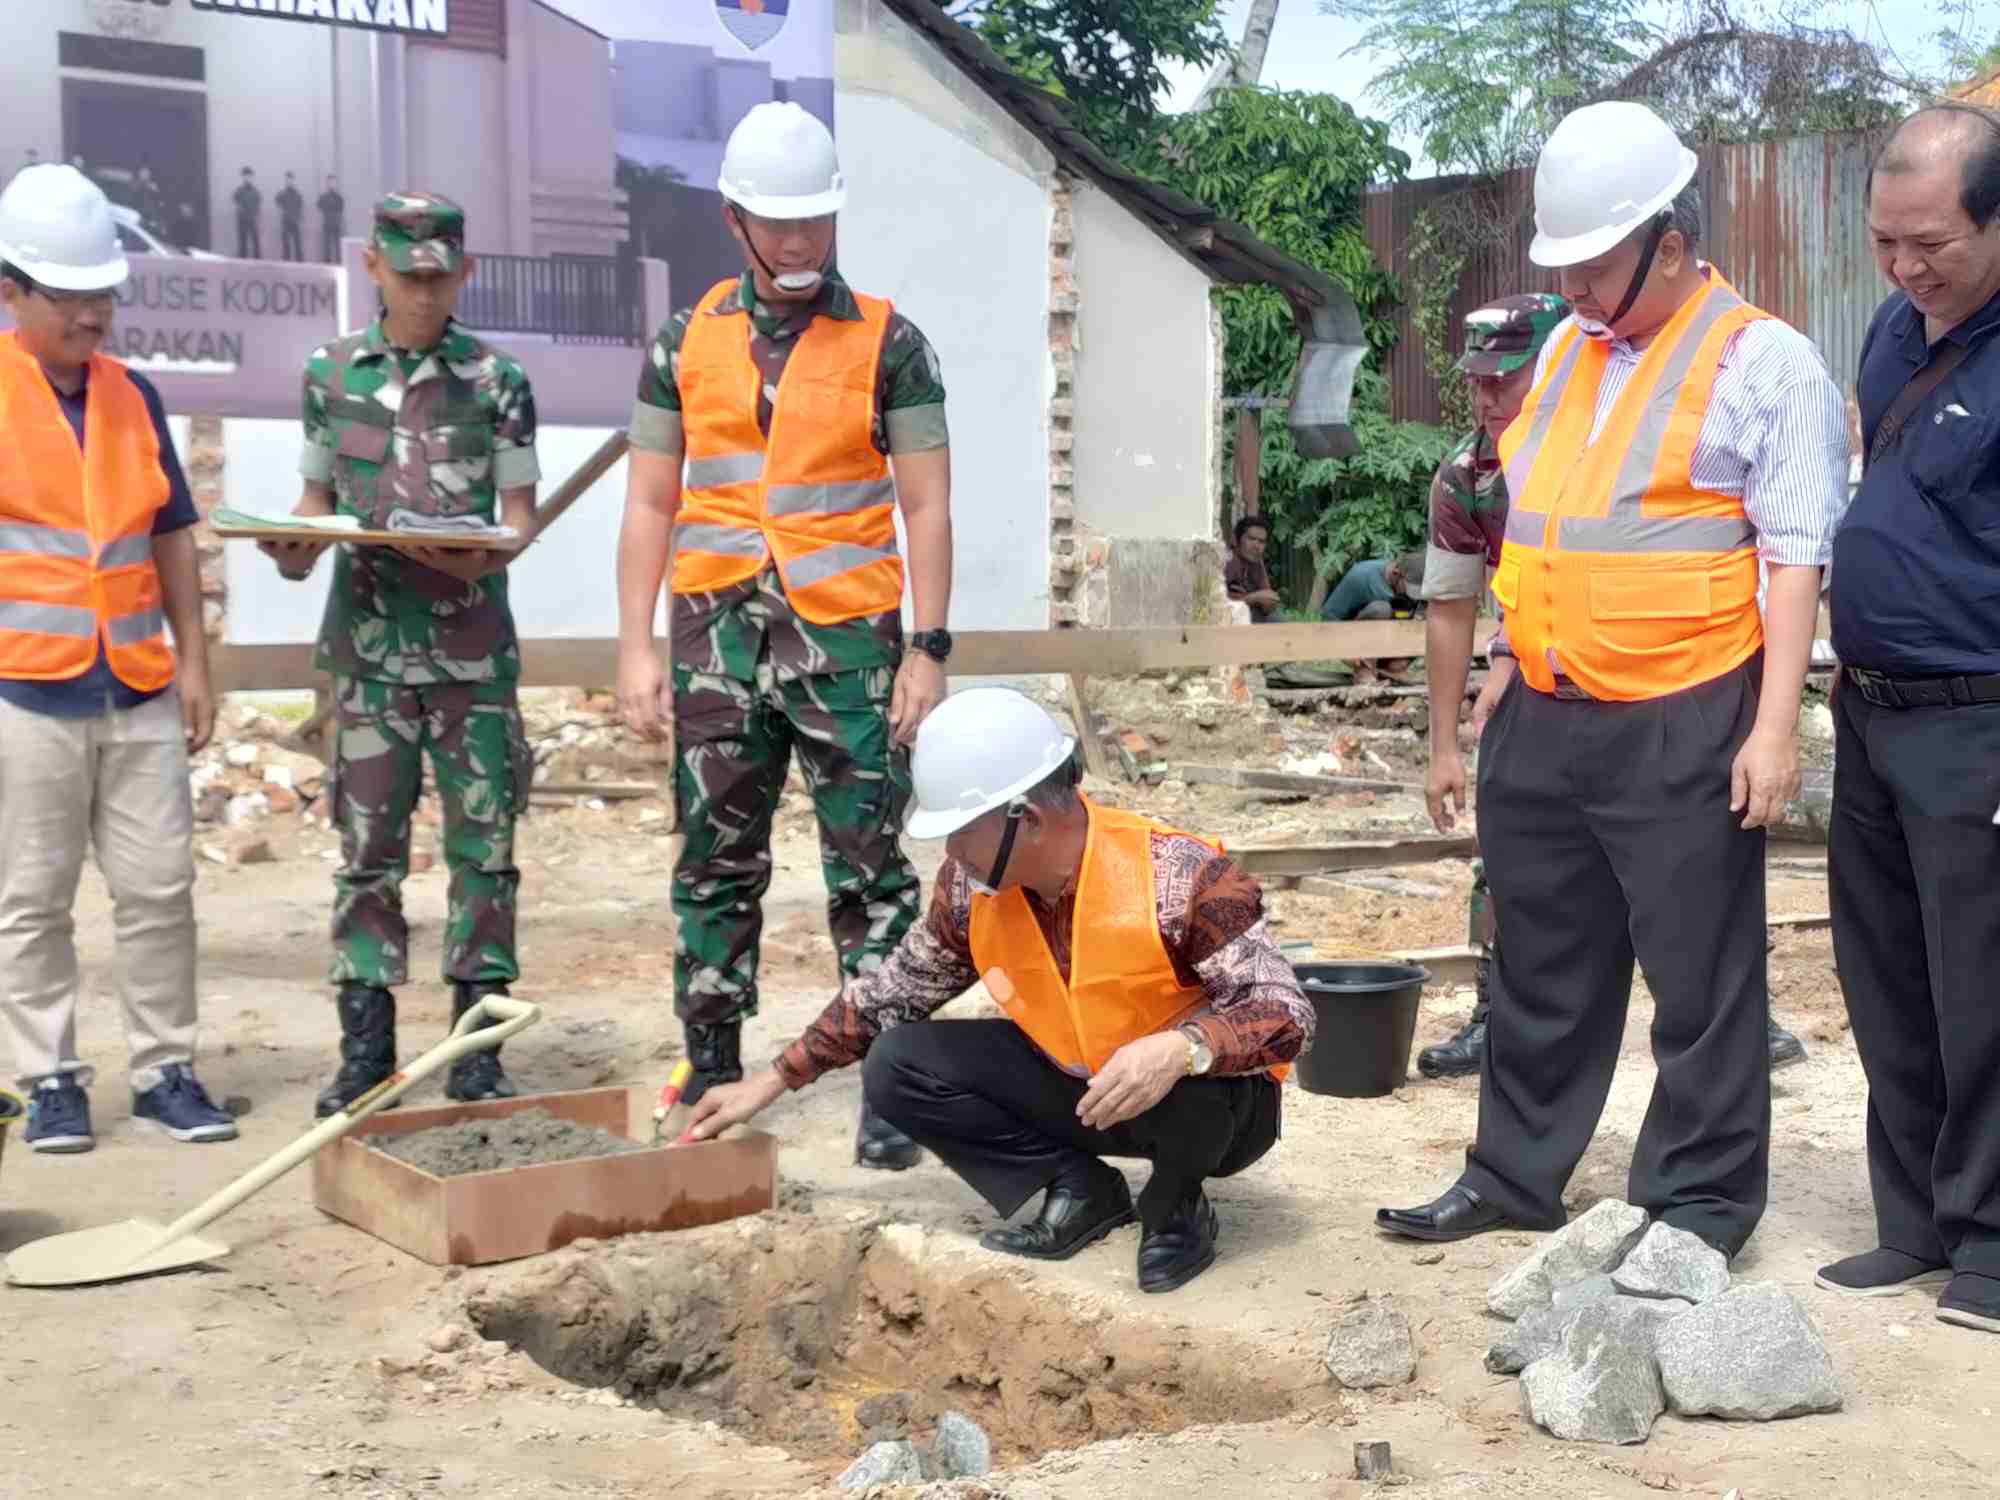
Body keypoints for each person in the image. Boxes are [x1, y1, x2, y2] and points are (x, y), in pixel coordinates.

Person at [1376, 101, 1849, 1258]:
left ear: (1670, 245)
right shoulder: (1558, 356)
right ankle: (1511, 1174)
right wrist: (1499, 663)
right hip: (1540, 710)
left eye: (1593, 271)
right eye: (1567, 271)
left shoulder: (1762, 362)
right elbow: (1538, 534)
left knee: (1698, 976)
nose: (1576, 293)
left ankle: (1695, 1206)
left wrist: (1773, 728)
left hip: (1683, 713)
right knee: (1539, 963)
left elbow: (1793, 560)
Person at [685, 687, 1313, 1293]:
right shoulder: (969, 890)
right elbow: (891, 993)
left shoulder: (1183, 876)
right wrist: (771, 1080)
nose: (952, 853)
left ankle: (1176, 1206)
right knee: (898, 1063)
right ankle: (1078, 1188)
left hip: (1197, 1103)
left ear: (1027, 819)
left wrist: (1182, 1049)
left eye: (960, 831)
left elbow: (1287, 1013)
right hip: (1082, 1086)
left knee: (1203, 1091)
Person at [615, 102, 952, 1171]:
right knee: (714, 862)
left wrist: (928, 649)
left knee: (869, 873)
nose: (799, 240)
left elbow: (928, 508)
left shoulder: (891, 342)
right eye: (778, 220)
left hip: (848, 646)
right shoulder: (682, 341)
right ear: (734, 220)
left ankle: (892, 1087)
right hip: (714, 636)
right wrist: (633, 646)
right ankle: (712, 1068)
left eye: (815, 218)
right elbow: (648, 504)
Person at [259, 192, 542, 1118]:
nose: (422, 292)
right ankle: (366, 1053)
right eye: (405, 274)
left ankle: (477, 1049)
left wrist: (469, 550)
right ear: (372, 267)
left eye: (437, 276)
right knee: (366, 857)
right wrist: (292, 546)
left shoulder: (496, 378)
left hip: (471, 660)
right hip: (370, 658)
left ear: (460, 274)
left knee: (484, 857)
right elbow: (313, 504)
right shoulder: (329, 374)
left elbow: (519, 524)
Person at [0, 164, 235, 1152]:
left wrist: (195, 662)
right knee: (29, 900)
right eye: (72, 296)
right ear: (12, 288)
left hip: (135, 688)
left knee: (157, 889)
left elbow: (172, 534)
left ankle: (164, 1069)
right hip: (24, 692)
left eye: (103, 294)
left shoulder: (132, 397)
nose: (94, 315)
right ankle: (49, 1077)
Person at [1815, 104, 2000, 1333]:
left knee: (1983, 986)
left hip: (1976, 718)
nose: (1903, 266)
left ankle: (1990, 1242)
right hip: (1871, 711)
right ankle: (1916, 1222)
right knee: (1884, 972)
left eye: (1929, 241)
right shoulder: (1891, 331)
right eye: (1883, 240)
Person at [1413, 293, 1567, 1078]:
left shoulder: (1603, 452)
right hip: (1530, 672)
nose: (1486, 396)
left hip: (1645, 672)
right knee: (1502, 846)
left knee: (1683, 854)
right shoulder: (1469, 475)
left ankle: (1747, 1018)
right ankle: (1493, 1014)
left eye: (1505, 379)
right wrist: (1443, 747)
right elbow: (1449, 610)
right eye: (1477, 380)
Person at [1320, 550, 1423, 623]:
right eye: (1408, 588)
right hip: (1352, 632)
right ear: (1395, 573)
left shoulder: (1410, 582)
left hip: (1389, 630)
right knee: (1381, 610)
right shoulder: (1361, 576)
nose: (1410, 595)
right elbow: (1328, 615)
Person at [1224, 515, 1281, 622]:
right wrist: (1254, 598)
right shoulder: (1227, 561)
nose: (1256, 546)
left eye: (1261, 541)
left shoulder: (1257, 561)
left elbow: (1266, 596)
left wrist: (1269, 602)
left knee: (1278, 620)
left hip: (1252, 615)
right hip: (1228, 620)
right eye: (1251, 539)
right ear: (1237, 540)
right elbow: (1216, 605)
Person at [233, 168, 261, 260]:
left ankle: (257, 261)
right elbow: (235, 201)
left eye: (249, 176)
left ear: (252, 177)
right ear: (243, 177)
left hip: (252, 218)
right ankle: (242, 261)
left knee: (255, 240)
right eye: (246, 176)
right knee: (242, 241)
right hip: (242, 219)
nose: (247, 178)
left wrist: (255, 213)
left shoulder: (255, 192)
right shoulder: (239, 190)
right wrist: (240, 209)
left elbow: (258, 204)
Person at [277, 172, 305, 263]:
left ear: (293, 181)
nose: (289, 181)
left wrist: (298, 217)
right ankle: (286, 261)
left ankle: (300, 262)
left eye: (291, 180)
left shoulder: (297, 194)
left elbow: (300, 205)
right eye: (287, 180)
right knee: (286, 243)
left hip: (295, 221)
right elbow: (277, 201)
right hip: (285, 220)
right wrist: (281, 191)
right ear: (285, 181)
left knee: (297, 243)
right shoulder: (283, 193)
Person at [318, 176, 345, 265]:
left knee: (337, 245)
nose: (332, 184)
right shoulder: (324, 197)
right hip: (327, 223)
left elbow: (341, 208)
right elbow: (319, 205)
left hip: (336, 223)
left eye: (333, 182)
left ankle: (339, 262)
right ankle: (327, 262)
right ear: (327, 183)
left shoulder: (338, 197)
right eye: (330, 182)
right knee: (327, 245)